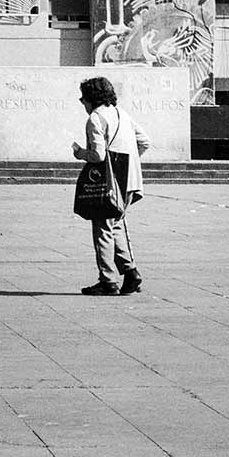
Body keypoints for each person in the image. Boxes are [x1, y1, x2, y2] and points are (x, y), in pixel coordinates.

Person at [71, 75, 149, 295]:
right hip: (130, 181)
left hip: (109, 184)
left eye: (83, 98)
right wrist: (129, 161)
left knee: (102, 229)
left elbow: (96, 155)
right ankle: (131, 272)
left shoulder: (95, 118)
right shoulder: (121, 114)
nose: (82, 103)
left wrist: (79, 153)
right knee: (114, 226)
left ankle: (108, 280)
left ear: (90, 99)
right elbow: (145, 141)